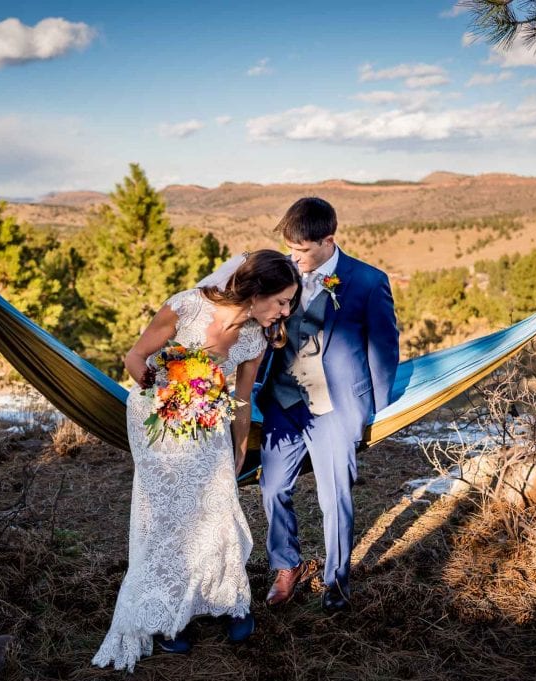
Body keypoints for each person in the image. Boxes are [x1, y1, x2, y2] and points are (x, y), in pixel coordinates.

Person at [92, 250, 301, 672]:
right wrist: (161, 384)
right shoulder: (185, 306)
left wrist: (239, 446)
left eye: (290, 303)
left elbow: (242, 398)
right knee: (170, 514)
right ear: (256, 291)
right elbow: (134, 358)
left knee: (218, 507)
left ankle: (228, 600)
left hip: (209, 421)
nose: (286, 311)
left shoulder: (256, 337)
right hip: (157, 418)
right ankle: (172, 615)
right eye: (281, 301)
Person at [256, 197, 399, 613]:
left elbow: (384, 349)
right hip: (283, 402)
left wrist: (375, 411)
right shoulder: (281, 273)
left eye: (301, 251)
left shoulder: (369, 281)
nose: (294, 258)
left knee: (334, 497)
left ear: (328, 241)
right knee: (271, 488)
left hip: (335, 408)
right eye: (291, 249)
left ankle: (336, 583)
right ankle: (287, 566)